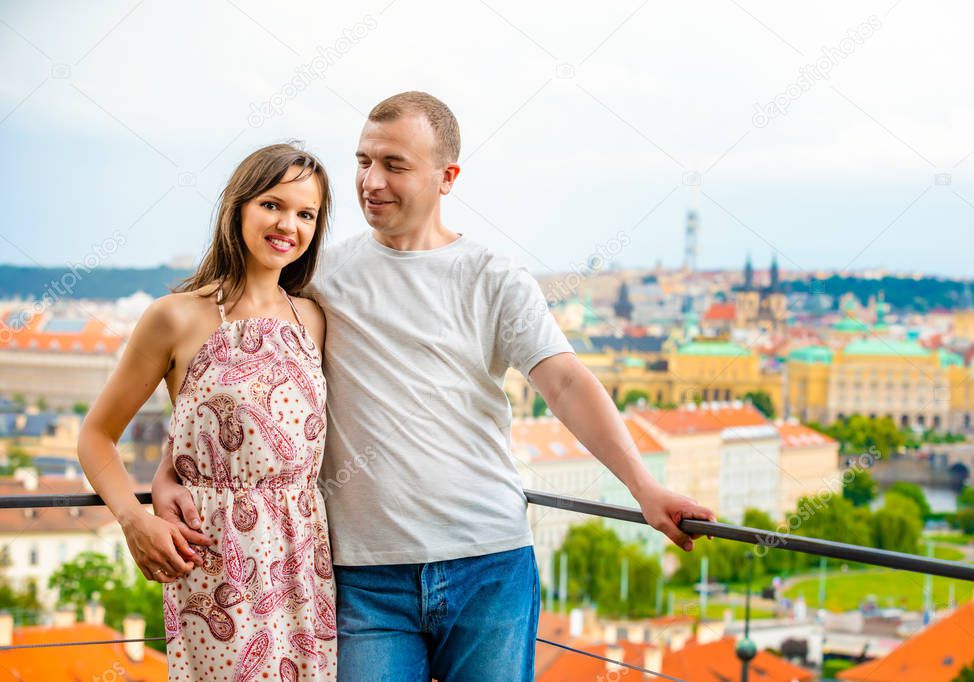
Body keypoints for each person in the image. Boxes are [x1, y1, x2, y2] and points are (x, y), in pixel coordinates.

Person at [154, 91, 714, 681]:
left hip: (489, 563)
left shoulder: (495, 278)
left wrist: (644, 489)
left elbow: (568, 383)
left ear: (447, 177)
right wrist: (173, 467)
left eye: (394, 165)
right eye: (364, 160)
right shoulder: (316, 277)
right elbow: (239, 375)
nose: (371, 180)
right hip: (363, 576)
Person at [78, 143, 337, 681]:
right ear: (238, 207)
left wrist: (171, 459)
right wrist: (135, 519)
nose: (287, 224)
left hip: (304, 563)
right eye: (272, 204)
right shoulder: (175, 317)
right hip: (215, 564)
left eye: (306, 213)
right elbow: (96, 435)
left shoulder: (313, 318)